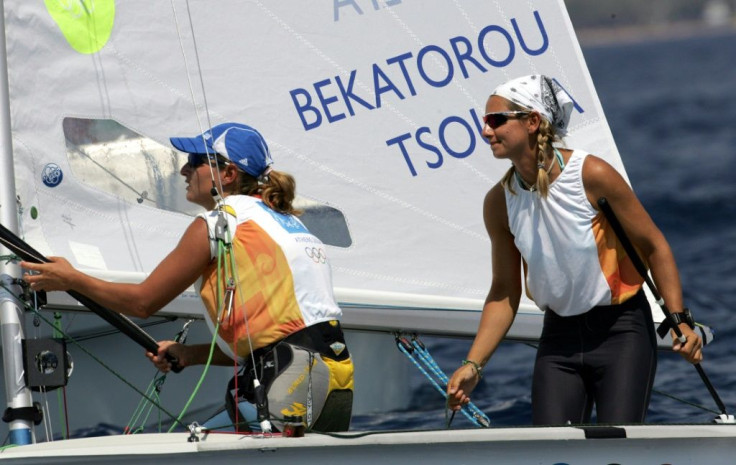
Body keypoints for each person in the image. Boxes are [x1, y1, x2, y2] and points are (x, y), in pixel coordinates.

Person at [21, 122, 354, 433]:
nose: (184, 170)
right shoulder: (287, 224)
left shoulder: (220, 223)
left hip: (290, 378)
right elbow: (273, 335)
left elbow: (142, 302)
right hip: (332, 378)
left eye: (195, 161)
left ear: (228, 173)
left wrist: (72, 280)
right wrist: (190, 354)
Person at [446, 75, 702, 425]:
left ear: (532, 121)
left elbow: (655, 247)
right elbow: (505, 292)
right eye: (485, 122)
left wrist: (681, 323)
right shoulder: (498, 203)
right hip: (558, 341)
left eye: (496, 120)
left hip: (622, 333)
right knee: (556, 458)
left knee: (618, 456)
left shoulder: (591, 174)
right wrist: (473, 365)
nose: (486, 131)